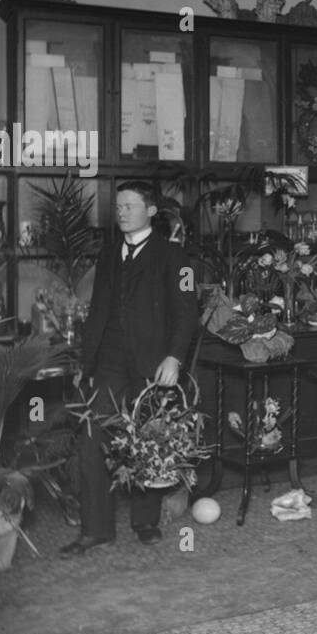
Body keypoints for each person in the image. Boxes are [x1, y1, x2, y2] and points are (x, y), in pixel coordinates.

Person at [61, 182, 197, 555]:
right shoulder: (107, 255)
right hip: (108, 362)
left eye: (129, 206)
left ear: (151, 211)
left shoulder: (174, 257)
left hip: (152, 364)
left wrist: (175, 357)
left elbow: (187, 314)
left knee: (148, 440)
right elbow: (98, 313)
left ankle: (144, 520)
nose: (121, 212)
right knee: (91, 440)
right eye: (118, 206)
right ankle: (96, 529)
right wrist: (85, 363)